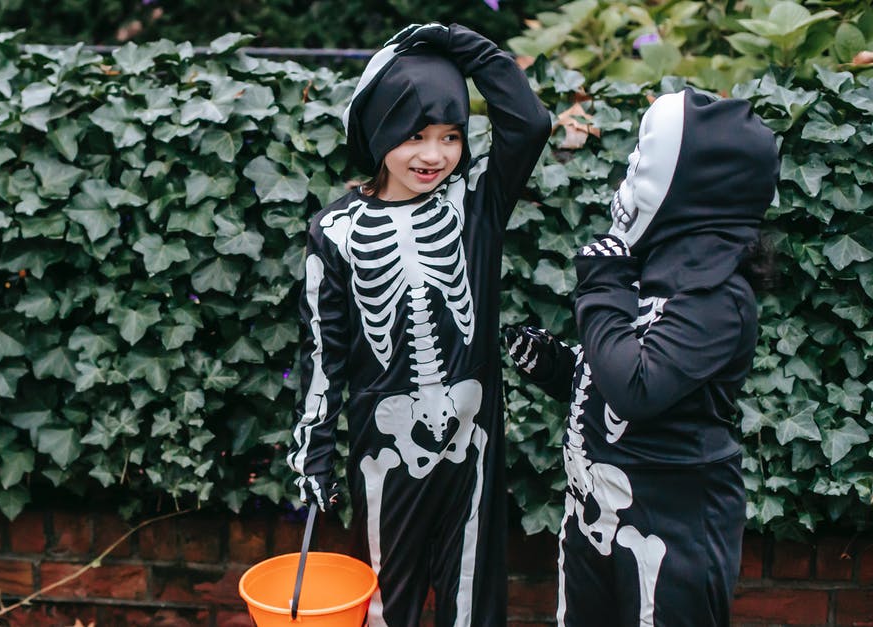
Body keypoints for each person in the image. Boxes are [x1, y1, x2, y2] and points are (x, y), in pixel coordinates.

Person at [286, 23, 550, 626]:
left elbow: (530, 124)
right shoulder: (336, 231)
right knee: (383, 605)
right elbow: (323, 354)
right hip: (385, 451)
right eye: (414, 136)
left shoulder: (476, 202)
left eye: (451, 136)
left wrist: (460, 43)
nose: (433, 156)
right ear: (380, 132)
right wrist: (314, 452)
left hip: (473, 442)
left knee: (472, 606)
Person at [504, 89, 779, 626]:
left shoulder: (718, 297)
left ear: (692, 190)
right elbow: (622, 367)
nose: (626, 181)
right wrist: (562, 367)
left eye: (641, 165)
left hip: (670, 524)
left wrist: (602, 288)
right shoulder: (655, 267)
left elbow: (639, 387)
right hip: (594, 510)